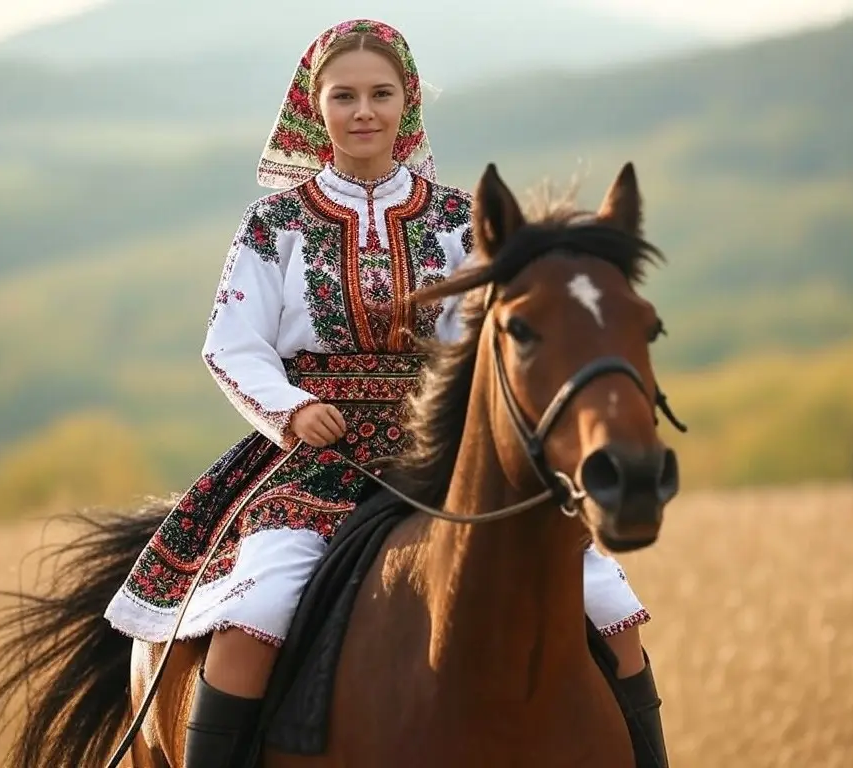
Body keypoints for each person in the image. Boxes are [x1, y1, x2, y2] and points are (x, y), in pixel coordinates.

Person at [103, 18, 668, 767]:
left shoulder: (459, 220)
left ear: (407, 103)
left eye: (381, 93)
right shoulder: (273, 225)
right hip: (313, 458)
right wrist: (293, 410)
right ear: (316, 107)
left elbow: (487, 346)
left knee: (613, 610)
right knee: (255, 615)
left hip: (439, 452)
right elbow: (231, 345)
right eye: (345, 96)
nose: (363, 111)